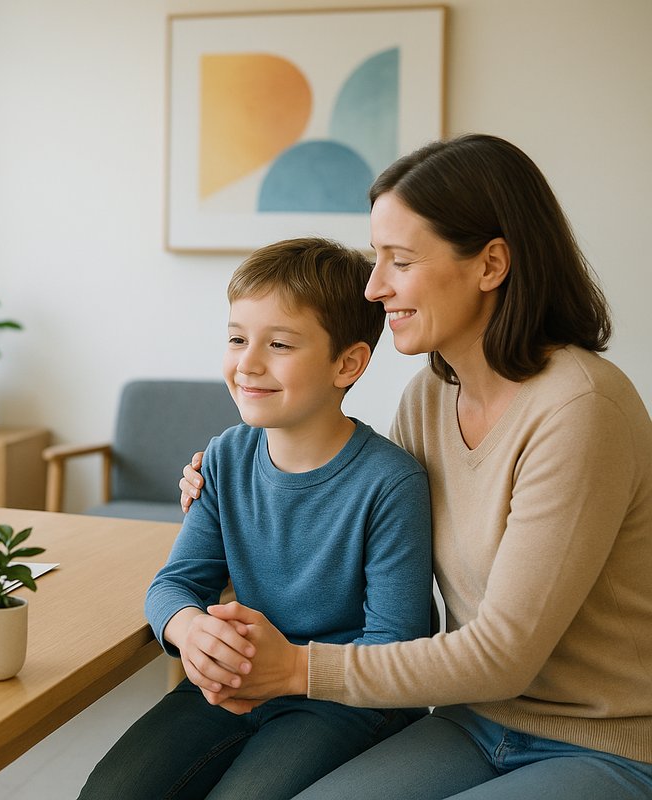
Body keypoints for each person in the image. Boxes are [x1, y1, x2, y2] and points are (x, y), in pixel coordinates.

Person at [179, 134, 652, 797]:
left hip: (605, 742)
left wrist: (294, 670)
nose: (375, 288)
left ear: (491, 264)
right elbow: (362, 524)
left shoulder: (580, 409)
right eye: (377, 258)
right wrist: (234, 490)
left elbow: (504, 656)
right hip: (473, 720)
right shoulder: (429, 398)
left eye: (399, 261)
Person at [79, 238, 433, 800]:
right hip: (234, 680)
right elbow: (174, 584)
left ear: (347, 363)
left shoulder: (391, 483)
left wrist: (287, 669)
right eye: (238, 339)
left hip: (344, 699)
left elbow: (397, 646)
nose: (247, 363)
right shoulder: (224, 457)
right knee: (110, 792)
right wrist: (188, 629)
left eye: (279, 344)